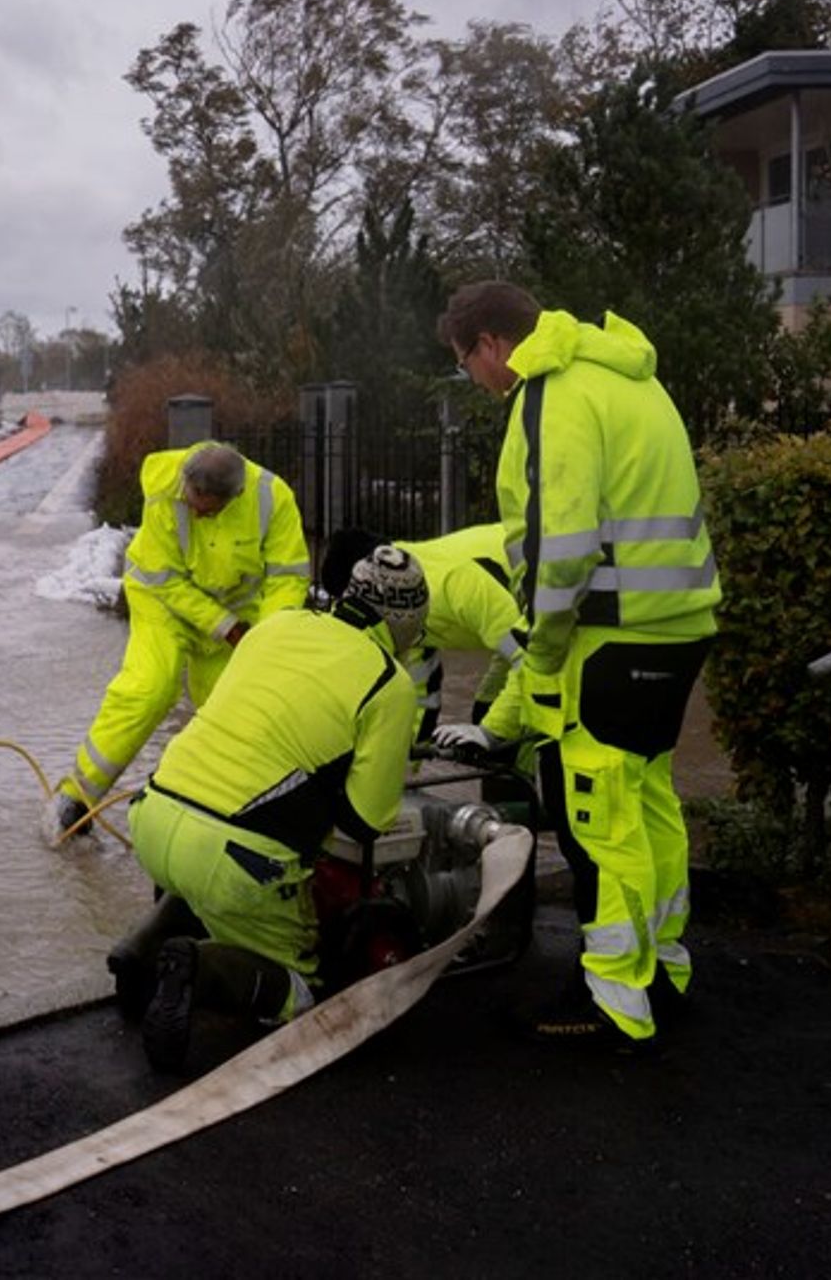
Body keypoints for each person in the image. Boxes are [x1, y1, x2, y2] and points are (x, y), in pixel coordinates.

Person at [431, 281, 719, 1052]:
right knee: (648, 801)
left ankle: (615, 999)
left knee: (596, 818)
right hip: (676, 626)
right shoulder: (628, 373)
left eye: (466, 363)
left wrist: (545, 650)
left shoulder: (552, 393)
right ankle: (663, 967)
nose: (475, 379)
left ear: (490, 344)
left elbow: (564, 543)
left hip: (609, 637)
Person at [114, 545, 429, 1073]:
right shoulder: (387, 681)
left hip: (153, 814)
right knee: (307, 995)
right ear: (407, 622)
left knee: (205, 882)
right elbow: (365, 821)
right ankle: (197, 967)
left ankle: (137, 954)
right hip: (235, 856)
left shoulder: (275, 625)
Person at [50, 441, 311, 836]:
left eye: (207, 507)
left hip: (237, 617)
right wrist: (225, 625)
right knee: (149, 689)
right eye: (191, 500)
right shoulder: (165, 491)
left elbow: (287, 579)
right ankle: (77, 797)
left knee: (235, 707)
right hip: (163, 603)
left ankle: (224, 808)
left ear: (234, 496)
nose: (196, 510)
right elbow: (164, 578)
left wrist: (266, 642)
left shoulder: (272, 499)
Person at [315, 524, 524, 741]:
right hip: (518, 625)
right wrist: (406, 759)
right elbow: (420, 695)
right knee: (489, 722)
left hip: (549, 606)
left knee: (522, 727)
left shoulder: (452, 583)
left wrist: (493, 731)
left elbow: (532, 658)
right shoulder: (401, 604)